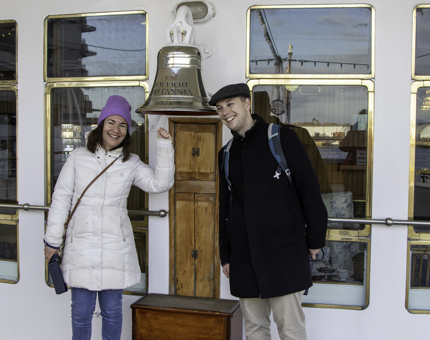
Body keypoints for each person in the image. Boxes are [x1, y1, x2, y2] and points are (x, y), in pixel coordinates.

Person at [43, 95, 175, 340]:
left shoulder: (131, 162)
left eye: (122, 124)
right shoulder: (78, 157)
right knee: (80, 312)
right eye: (111, 122)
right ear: (101, 124)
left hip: (115, 247)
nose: (116, 129)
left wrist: (164, 147)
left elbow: (160, 184)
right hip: (80, 245)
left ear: (128, 130)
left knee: (113, 311)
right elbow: (61, 199)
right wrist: (52, 240)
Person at [210, 83, 328, 340]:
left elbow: (309, 190)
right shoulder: (226, 154)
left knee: (291, 330)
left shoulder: (282, 138)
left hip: (284, 252)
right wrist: (226, 255)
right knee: (254, 329)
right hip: (244, 258)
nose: (225, 112)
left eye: (230, 104)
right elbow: (225, 208)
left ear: (247, 103)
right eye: (220, 108)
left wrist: (315, 241)